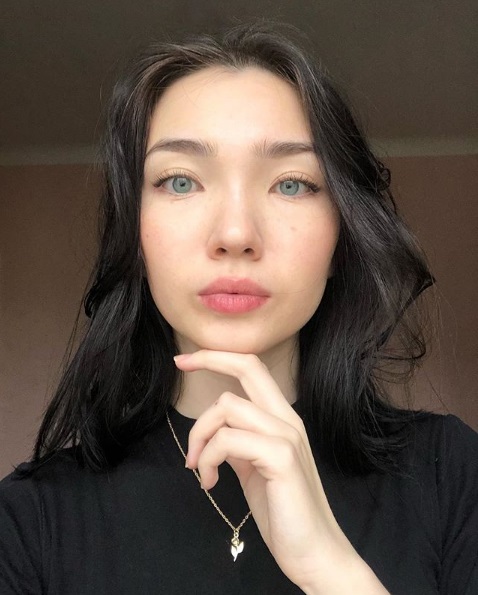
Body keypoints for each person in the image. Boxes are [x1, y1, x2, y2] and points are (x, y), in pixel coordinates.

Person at [0, 23, 477, 595]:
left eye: (291, 184)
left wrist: (332, 569)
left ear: (341, 238)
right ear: (135, 237)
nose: (235, 234)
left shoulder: (451, 473)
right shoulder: (30, 521)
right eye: (180, 181)